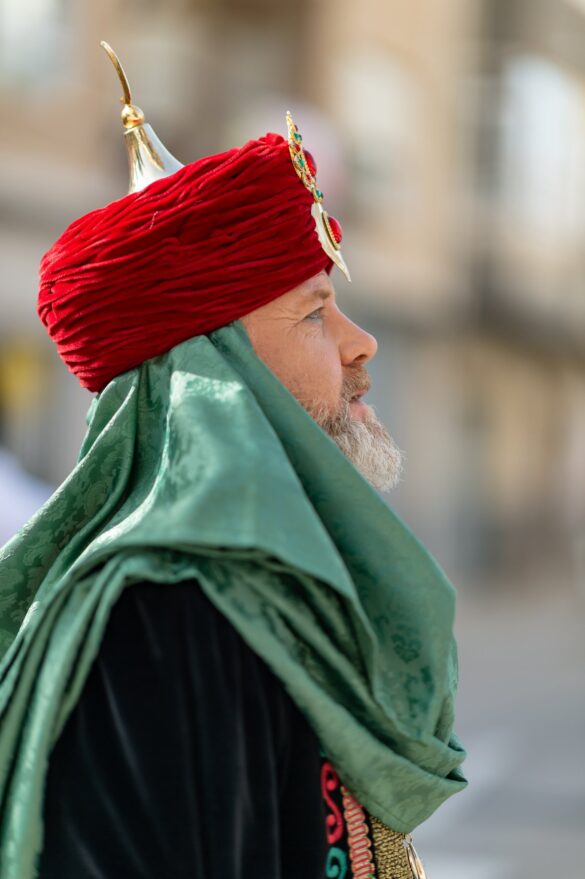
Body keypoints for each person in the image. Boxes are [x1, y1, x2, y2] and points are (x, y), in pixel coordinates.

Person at [0, 44, 466, 879]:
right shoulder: (165, 611)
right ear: (212, 372)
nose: (361, 343)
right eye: (314, 313)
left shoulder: (260, 588)